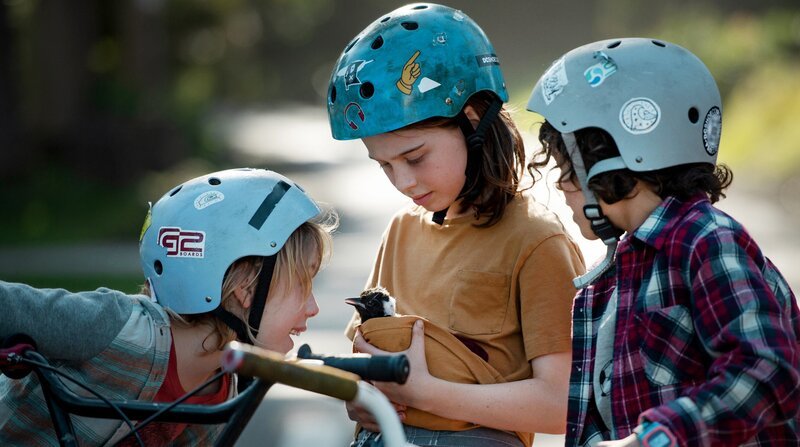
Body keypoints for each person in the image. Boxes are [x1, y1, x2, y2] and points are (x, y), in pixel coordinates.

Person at [326, 3, 585, 446]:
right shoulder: (401, 231)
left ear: (472, 121)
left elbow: (562, 403)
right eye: (384, 166)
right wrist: (359, 395)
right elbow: (365, 357)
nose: (403, 182)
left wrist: (430, 394)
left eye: (415, 157)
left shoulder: (537, 241)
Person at [526, 37, 800, 446]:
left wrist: (655, 438)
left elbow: (767, 369)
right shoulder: (605, 283)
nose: (562, 185)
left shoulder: (705, 242)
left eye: (568, 167)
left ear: (614, 156)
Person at [0, 168, 336, 445]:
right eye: (303, 285)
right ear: (245, 289)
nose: (313, 307)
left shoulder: (219, 386)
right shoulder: (116, 326)